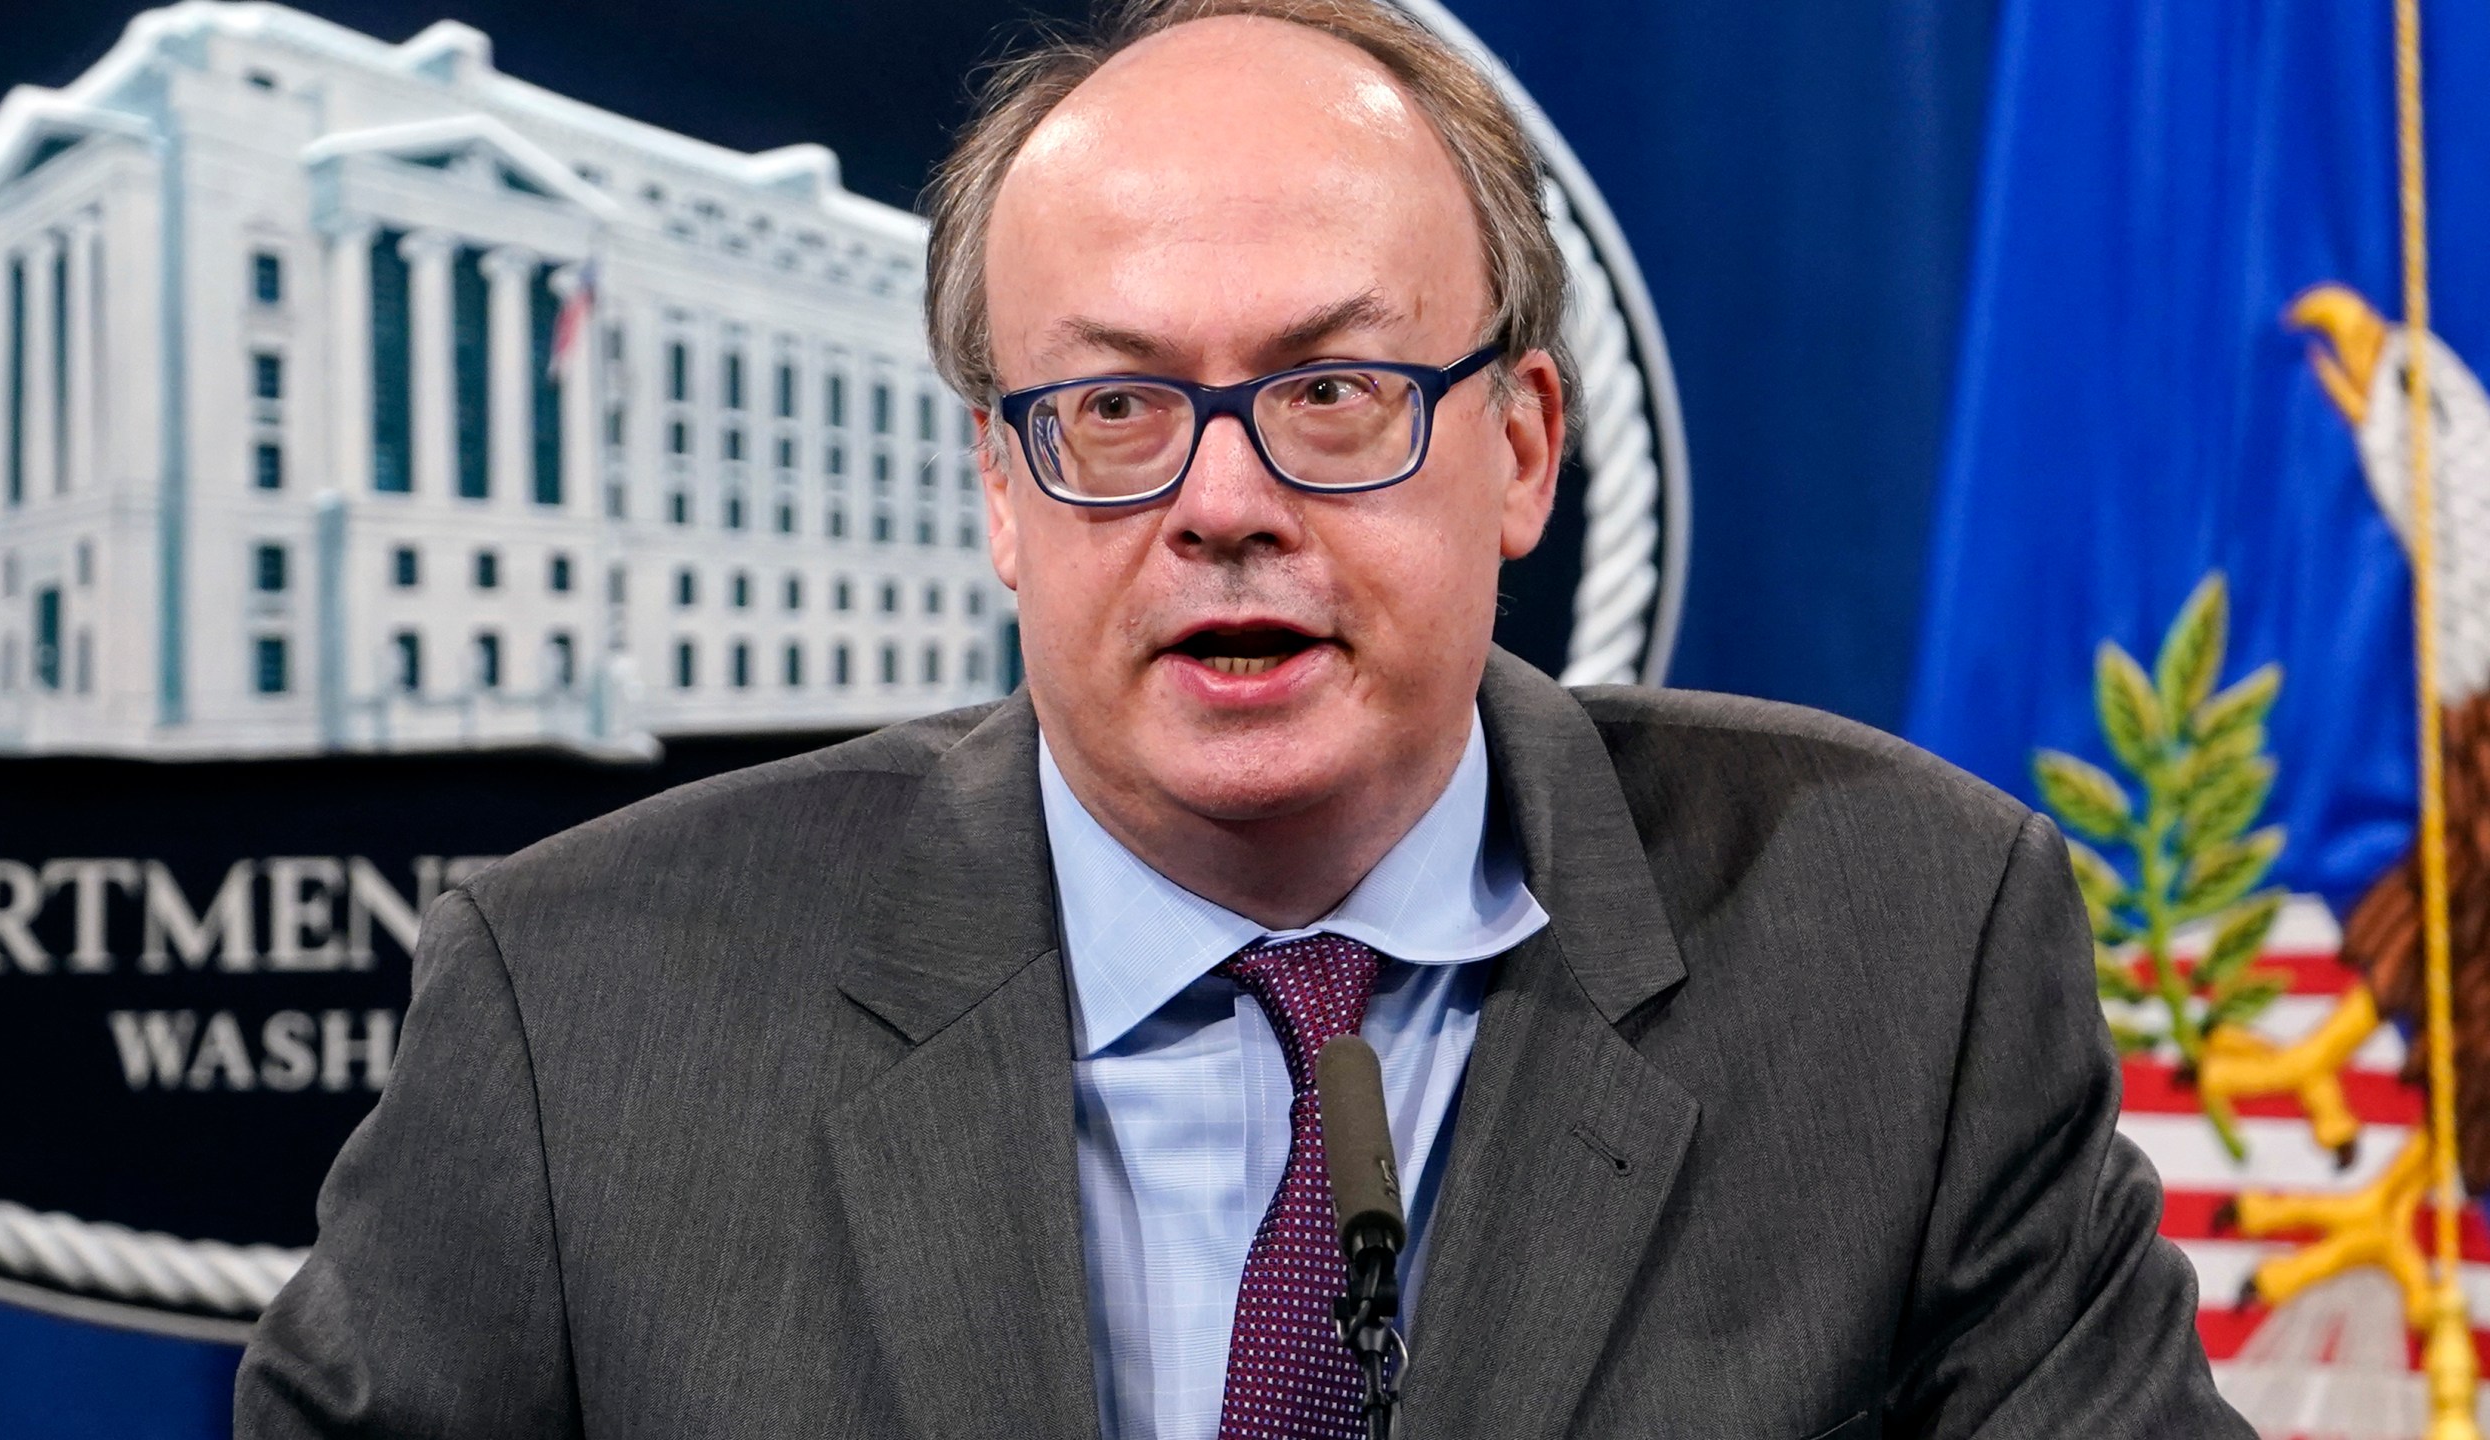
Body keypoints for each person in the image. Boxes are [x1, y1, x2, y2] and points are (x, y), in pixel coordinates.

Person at [236, 1, 2250, 1436]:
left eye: (1331, 394)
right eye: (1109, 409)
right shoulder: (585, 1010)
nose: (1221, 501)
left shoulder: (1899, 948)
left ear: (1521, 446)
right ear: (1000, 497)